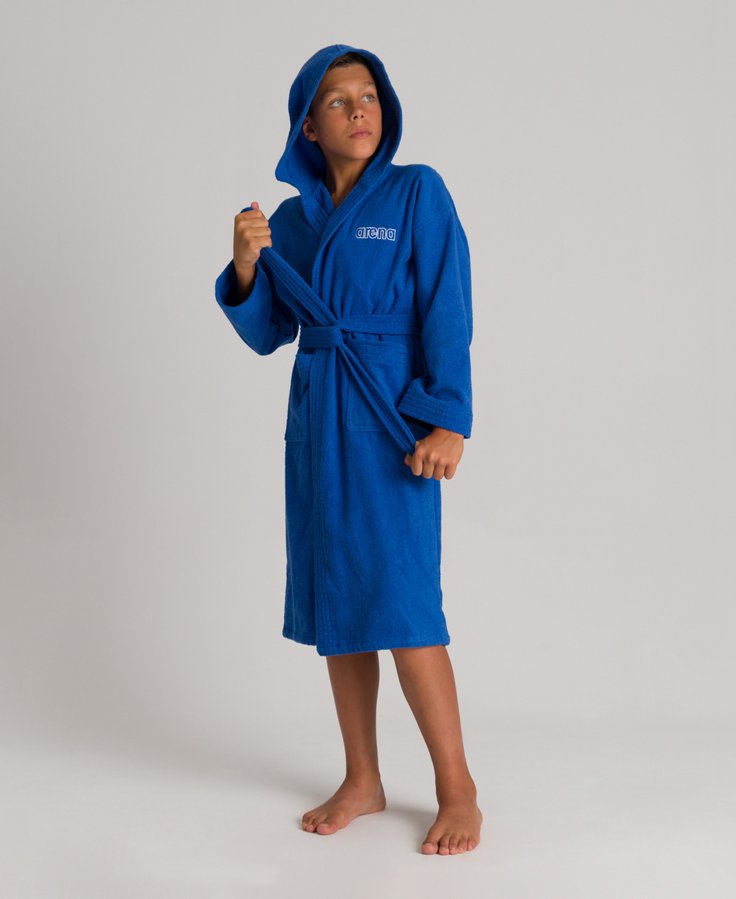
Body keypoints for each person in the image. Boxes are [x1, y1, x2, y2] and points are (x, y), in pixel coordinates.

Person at [214, 44, 482, 855]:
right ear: (308, 124)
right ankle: (362, 777)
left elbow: (447, 306)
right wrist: (246, 265)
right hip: (318, 421)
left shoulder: (416, 191)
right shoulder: (294, 221)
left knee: (406, 606)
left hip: (391, 419)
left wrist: (448, 418)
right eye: (339, 100)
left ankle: (458, 789)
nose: (360, 110)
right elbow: (269, 331)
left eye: (369, 95)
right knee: (342, 601)